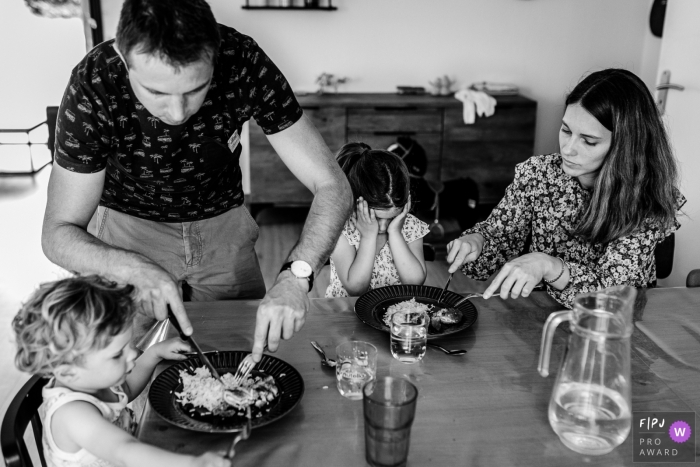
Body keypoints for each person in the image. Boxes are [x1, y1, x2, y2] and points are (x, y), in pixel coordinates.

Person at [41, 0, 352, 362]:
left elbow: (332, 184)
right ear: (124, 59)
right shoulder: (94, 82)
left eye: (195, 89)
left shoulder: (242, 59)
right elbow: (58, 231)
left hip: (223, 229)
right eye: (156, 92)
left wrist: (297, 277)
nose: (177, 112)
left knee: (245, 359)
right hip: (127, 234)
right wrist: (134, 268)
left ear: (215, 55)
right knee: (130, 366)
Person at [446, 68, 684, 308]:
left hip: (612, 328)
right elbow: (497, 243)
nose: (568, 149)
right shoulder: (538, 175)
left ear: (626, 147)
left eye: (588, 141)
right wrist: (477, 242)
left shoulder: (645, 201)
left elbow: (614, 298)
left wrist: (548, 265)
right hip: (539, 313)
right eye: (566, 130)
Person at [12, 275, 230, 467]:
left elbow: (125, 389)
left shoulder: (93, 378)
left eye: (129, 344)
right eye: (118, 354)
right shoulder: (73, 414)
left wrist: (153, 354)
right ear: (68, 372)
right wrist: (193, 464)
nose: (133, 353)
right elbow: (124, 451)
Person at [325, 143, 430, 297]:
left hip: (394, 315)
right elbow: (355, 288)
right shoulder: (342, 229)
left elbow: (414, 283)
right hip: (347, 314)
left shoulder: (409, 226)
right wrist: (368, 237)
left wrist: (396, 233)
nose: (383, 226)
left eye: (392, 217)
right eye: (377, 217)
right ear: (356, 203)